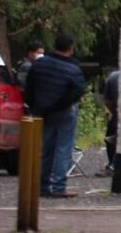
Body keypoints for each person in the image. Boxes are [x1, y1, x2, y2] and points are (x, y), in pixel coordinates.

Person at [25, 34, 86, 198]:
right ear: (71, 48)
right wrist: (64, 103)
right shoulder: (73, 69)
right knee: (63, 148)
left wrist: (34, 106)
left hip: (42, 110)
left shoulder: (39, 64)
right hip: (64, 111)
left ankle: (42, 185)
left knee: (45, 148)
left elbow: (29, 87)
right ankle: (59, 186)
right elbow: (79, 89)